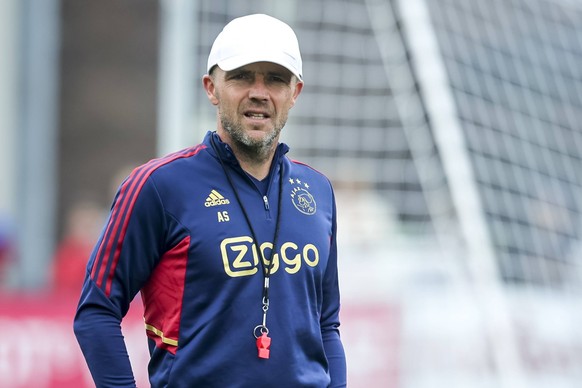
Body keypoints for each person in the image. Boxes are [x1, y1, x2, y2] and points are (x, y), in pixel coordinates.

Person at [73, 13, 347, 387]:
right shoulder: (158, 186)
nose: (259, 92)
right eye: (241, 76)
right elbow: (96, 312)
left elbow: (326, 325)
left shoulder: (317, 191)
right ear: (211, 87)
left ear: (294, 93)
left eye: (275, 79)